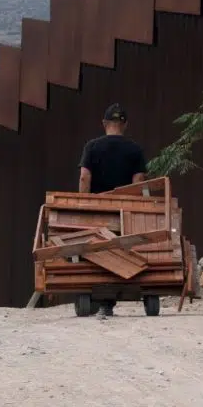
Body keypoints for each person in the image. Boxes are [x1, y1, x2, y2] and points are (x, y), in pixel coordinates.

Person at [77, 103, 147, 318]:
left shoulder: (92, 147)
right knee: (122, 251)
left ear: (104, 123)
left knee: (97, 251)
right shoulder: (135, 149)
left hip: (98, 209)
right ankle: (113, 297)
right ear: (125, 124)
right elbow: (139, 181)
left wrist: (83, 205)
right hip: (124, 210)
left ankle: (101, 297)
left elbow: (84, 177)